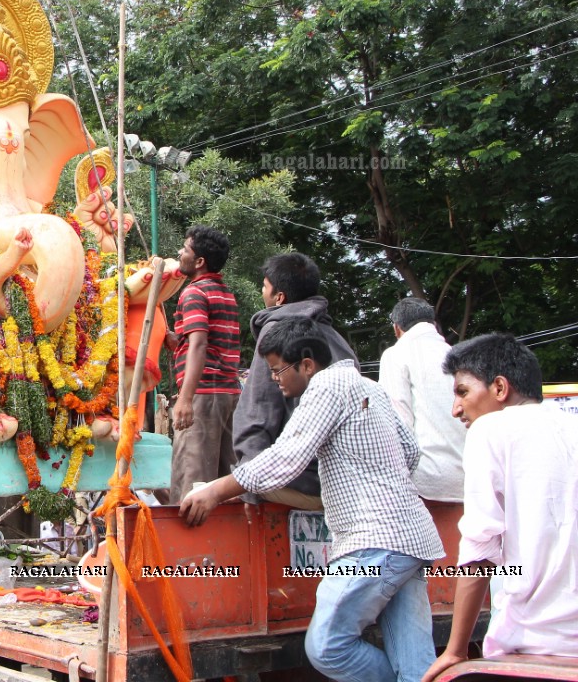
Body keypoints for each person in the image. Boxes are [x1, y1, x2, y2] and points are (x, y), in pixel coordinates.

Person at [182, 318, 443, 682]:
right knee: (416, 663)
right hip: (413, 539)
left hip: (373, 541)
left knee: (327, 647)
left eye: (278, 370)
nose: (274, 379)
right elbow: (411, 451)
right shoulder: (369, 386)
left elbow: (286, 458)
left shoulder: (327, 386)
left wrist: (214, 490)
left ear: (307, 364)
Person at [421, 335, 578, 680]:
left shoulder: (492, 428)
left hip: (534, 645)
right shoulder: (571, 426)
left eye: (462, 392)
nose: (456, 409)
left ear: (500, 388)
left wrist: (455, 650)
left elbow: (479, 550)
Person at [232, 252, 357, 510]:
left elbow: (258, 407)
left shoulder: (278, 332)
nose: (261, 292)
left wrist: (248, 484)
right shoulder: (337, 340)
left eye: (264, 287)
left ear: (280, 297)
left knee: (218, 490)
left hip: (310, 480)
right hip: (349, 479)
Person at [167, 225, 241, 501]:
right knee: (224, 487)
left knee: (191, 484)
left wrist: (185, 400)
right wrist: (177, 342)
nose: (179, 253)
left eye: (185, 249)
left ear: (199, 262)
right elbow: (210, 344)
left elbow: (199, 344)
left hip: (204, 396)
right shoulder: (224, 292)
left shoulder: (194, 293)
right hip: (228, 395)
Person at [378, 297, 466, 502]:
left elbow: (398, 423)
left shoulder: (396, 354)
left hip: (428, 482)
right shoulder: (457, 356)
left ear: (397, 329)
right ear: (433, 325)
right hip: (471, 480)